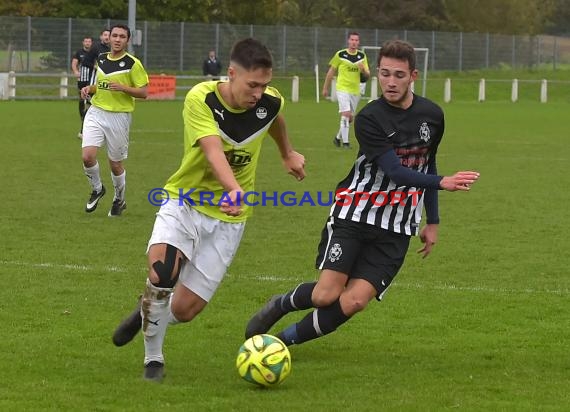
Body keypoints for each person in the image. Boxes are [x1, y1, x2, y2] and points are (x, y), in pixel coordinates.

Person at [245, 40, 480, 350]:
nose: (390, 82)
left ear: (413, 76)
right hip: (356, 213)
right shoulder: (370, 118)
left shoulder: (432, 115)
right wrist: (443, 182)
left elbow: (427, 162)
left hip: (398, 226)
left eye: (398, 75)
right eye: (384, 74)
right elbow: (395, 171)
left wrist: (432, 220)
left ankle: (280, 343)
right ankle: (280, 304)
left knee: (355, 301)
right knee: (325, 294)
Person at [111, 37, 306, 382]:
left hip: (229, 221)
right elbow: (213, 150)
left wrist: (287, 153)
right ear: (231, 74)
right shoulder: (201, 98)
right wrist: (234, 190)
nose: (259, 93)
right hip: (185, 201)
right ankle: (153, 359)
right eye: (252, 85)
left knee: (185, 310)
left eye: (264, 85)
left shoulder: (270, 101)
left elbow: (275, 120)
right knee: (162, 270)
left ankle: (149, 311)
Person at [80, 24, 148, 216]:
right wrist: (89, 89)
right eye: (114, 36)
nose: (117, 39)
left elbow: (144, 92)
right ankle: (97, 188)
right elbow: (101, 85)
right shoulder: (101, 59)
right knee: (87, 156)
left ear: (127, 40)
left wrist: (123, 88)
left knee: (115, 164)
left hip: (119, 117)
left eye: (122, 37)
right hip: (96, 111)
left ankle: (119, 198)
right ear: (108, 38)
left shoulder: (133, 63)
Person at [322, 31, 370, 149]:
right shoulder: (340, 54)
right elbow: (331, 71)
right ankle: (346, 143)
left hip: (355, 90)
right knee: (346, 114)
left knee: (350, 118)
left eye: (356, 40)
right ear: (348, 41)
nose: (354, 42)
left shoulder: (362, 56)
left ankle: (338, 138)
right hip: (342, 88)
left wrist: (363, 70)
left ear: (358, 42)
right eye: (352, 40)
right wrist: (325, 88)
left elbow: (367, 75)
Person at [71, 36, 93, 138]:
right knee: (81, 100)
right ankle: (82, 118)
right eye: (86, 41)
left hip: (91, 80)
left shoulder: (93, 52)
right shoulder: (79, 52)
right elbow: (74, 63)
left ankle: (84, 124)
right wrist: (75, 72)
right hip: (82, 80)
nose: (88, 43)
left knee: (89, 102)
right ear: (83, 42)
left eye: (89, 41)